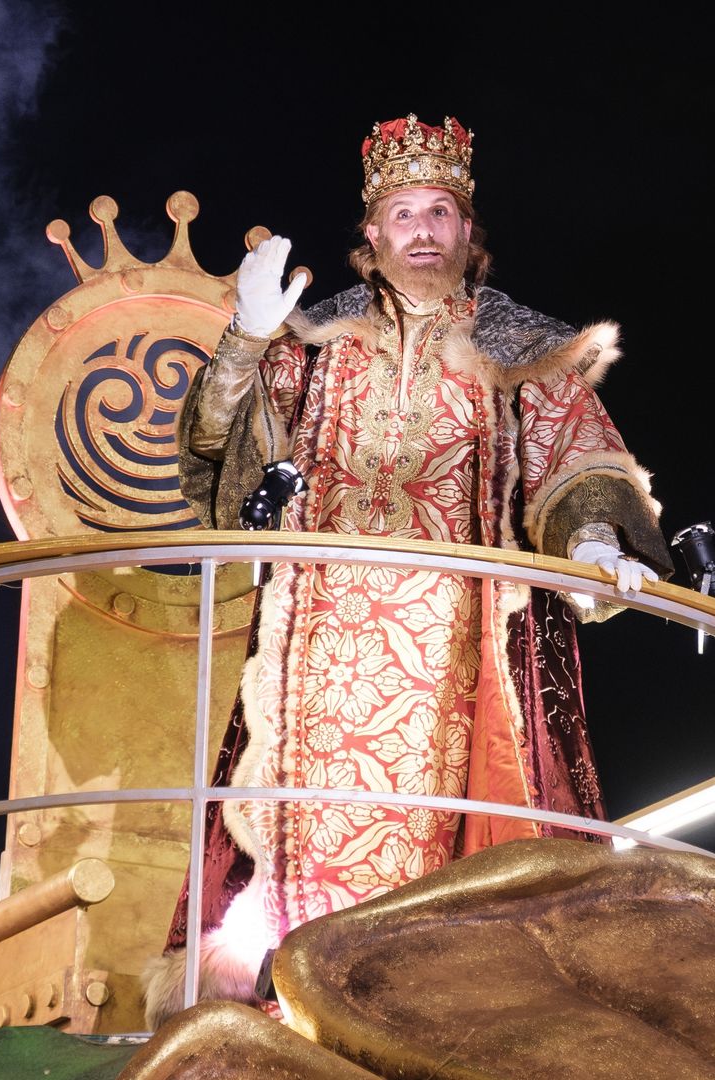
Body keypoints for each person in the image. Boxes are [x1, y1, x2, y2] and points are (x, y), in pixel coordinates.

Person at [143, 115, 673, 1027]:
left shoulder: (525, 351)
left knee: (459, 860)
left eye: (440, 211)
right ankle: (285, 1008)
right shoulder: (312, 348)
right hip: (312, 653)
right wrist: (244, 341)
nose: (422, 229)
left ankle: (435, 1013)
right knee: (285, 842)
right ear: (372, 236)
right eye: (402, 213)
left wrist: (590, 538)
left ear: (469, 232)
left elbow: (578, 459)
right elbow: (213, 457)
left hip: (452, 651)